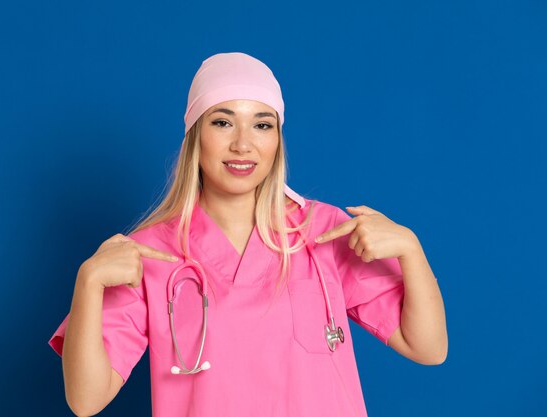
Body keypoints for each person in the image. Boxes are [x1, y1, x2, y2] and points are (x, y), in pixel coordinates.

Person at [48, 52, 447, 417]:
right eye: (222, 122)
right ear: (195, 136)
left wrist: (411, 250)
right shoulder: (149, 255)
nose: (243, 144)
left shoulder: (324, 232)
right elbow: (85, 399)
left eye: (262, 124)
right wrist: (89, 282)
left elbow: (428, 348)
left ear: (277, 140)